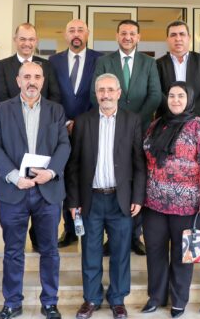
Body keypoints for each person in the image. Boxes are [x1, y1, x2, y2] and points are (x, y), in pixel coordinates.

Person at [0, 62, 71, 319]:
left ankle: (50, 302)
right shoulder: (3, 109)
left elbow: (64, 145)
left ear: (43, 81)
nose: (32, 81)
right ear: (18, 81)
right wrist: (14, 177)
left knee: (50, 250)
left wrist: (51, 172)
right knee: (13, 251)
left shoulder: (56, 110)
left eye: (36, 76)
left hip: (47, 191)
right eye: (27, 76)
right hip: (14, 191)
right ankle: (12, 302)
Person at [65, 73, 146, 319]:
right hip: (90, 200)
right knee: (90, 252)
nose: (106, 95)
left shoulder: (132, 121)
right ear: (96, 94)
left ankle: (118, 299)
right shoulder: (83, 121)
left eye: (111, 90)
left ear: (119, 93)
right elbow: (73, 165)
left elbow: (139, 163)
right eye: (101, 90)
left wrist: (138, 197)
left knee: (121, 253)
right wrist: (74, 201)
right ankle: (91, 299)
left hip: (121, 200)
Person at [140, 82, 200, 318]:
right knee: (154, 251)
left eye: (181, 96)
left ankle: (178, 300)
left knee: (182, 255)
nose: (175, 100)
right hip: (154, 203)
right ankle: (156, 297)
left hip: (188, 205)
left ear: (189, 99)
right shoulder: (156, 125)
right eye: (172, 96)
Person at [93, 19, 162, 255]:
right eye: (123, 33)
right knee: (115, 178)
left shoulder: (149, 63)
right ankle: (111, 237)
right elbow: (96, 93)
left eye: (132, 33)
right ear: (117, 36)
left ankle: (135, 235)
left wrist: (133, 121)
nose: (128, 37)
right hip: (110, 128)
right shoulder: (104, 61)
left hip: (141, 129)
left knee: (137, 179)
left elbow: (155, 95)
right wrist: (119, 119)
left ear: (138, 37)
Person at [49, 19, 103, 248]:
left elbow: (99, 93)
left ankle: (91, 226)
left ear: (88, 34)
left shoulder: (100, 59)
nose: (76, 34)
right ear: (65, 35)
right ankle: (69, 229)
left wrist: (80, 122)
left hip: (91, 127)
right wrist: (65, 121)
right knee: (64, 176)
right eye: (71, 30)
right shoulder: (53, 61)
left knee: (89, 174)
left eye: (80, 30)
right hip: (60, 128)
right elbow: (51, 94)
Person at [156, 20, 200, 126]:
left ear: (189, 37)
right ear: (167, 39)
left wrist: (190, 113)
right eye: (173, 35)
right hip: (167, 120)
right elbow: (157, 91)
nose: (178, 38)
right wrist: (175, 111)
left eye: (182, 34)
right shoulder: (158, 64)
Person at [0, 22, 61, 104]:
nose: (27, 44)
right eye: (22, 39)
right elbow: (1, 99)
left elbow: (55, 96)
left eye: (31, 39)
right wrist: (22, 111)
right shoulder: (2, 66)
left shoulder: (47, 66)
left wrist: (37, 111)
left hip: (43, 112)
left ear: (36, 41)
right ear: (15, 40)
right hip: (11, 112)